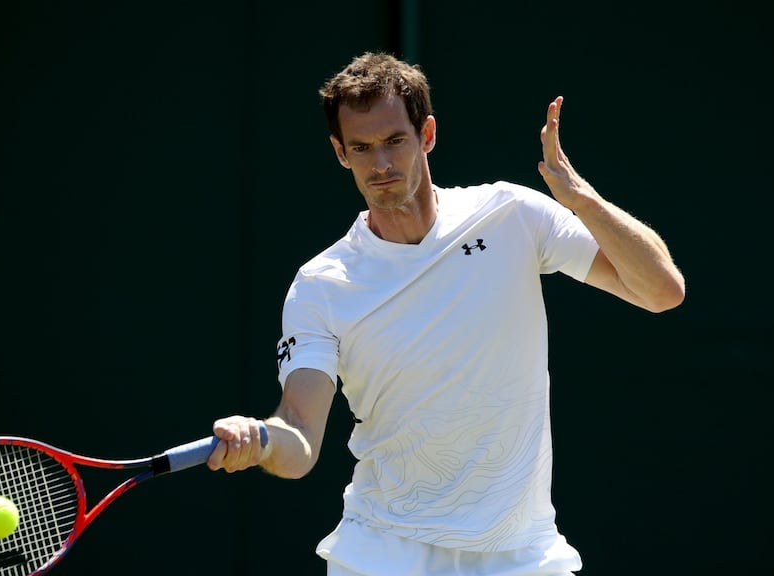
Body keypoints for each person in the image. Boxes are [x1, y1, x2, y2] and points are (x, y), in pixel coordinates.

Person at [206, 51, 685, 575]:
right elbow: (299, 434)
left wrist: (581, 200)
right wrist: (262, 441)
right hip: (384, 556)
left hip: (524, 556)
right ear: (340, 153)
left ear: (427, 134)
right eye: (362, 149)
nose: (382, 165)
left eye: (395, 141)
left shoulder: (510, 214)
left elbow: (660, 290)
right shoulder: (321, 286)